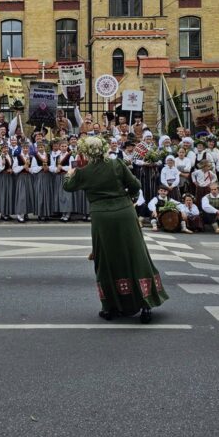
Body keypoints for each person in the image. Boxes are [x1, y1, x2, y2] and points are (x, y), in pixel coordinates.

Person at [62, 135, 168, 323]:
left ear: (85, 153)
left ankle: (110, 307)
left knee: (106, 259)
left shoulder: (82, 172)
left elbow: (67, 187)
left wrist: (69, 174)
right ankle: (145, 304)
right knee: (136, 255)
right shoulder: (117, 164)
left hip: (102, 217)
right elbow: (135, 185)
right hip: (125, 212)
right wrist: (131, 199)